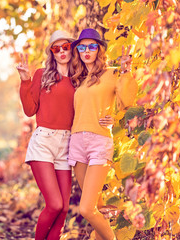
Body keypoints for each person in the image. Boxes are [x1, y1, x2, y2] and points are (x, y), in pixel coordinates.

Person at [16, 30, 114, 240]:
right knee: (54, 204)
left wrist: (111, 117)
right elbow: (29, 109)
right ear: (52, 53)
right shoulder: (43, 75)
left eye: (65, 47)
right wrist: (25, 81)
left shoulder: (81, 79)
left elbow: (99, 101)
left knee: (63, 209)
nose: (61, 51)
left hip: (67, 143)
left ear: (72, 49)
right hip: (44, 141)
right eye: (56, 48)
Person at [67, 28, 138, 240]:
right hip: (77, 142)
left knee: (86, 209)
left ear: (100, 49)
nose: (86, 51)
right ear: (77, 51)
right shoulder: (78, 78)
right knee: (96, 206)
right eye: (81, 47)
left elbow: (128, 102)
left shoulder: (113, 73)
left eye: (91, 46)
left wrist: (127, 72)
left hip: (99, 141)